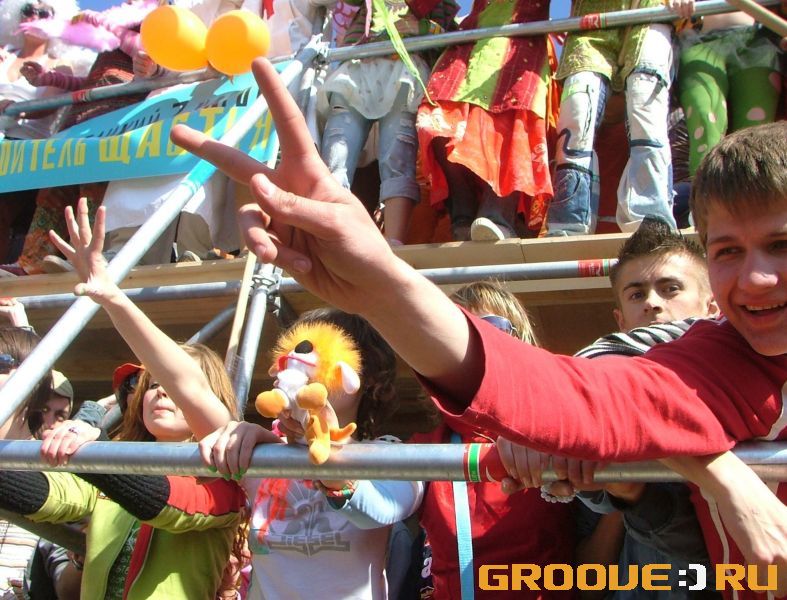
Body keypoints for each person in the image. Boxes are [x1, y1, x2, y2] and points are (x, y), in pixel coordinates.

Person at [170, 60, 787, 597]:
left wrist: (696, 470)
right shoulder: (712, 360)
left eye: (780, 244)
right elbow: (584, 392)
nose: (756, 278)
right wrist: (379, 280)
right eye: (728, 251)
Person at [412, 281, 576, 598]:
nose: (475, 346)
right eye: (459, 334)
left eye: (492, 328)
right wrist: (339, 477)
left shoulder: (561, 432)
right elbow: (378, 503)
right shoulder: (429, 445)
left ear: (521, 345)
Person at [544, 0, 695, 235]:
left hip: (651, 12)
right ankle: (568, 221)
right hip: (591, 23)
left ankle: (650, 217)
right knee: (577, 111)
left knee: (645, 104)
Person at [415, 0, 556, 241]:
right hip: (469, 43)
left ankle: (498, 216)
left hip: (521, 43)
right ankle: (463, 210)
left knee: (510, 126)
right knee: (435, 119)